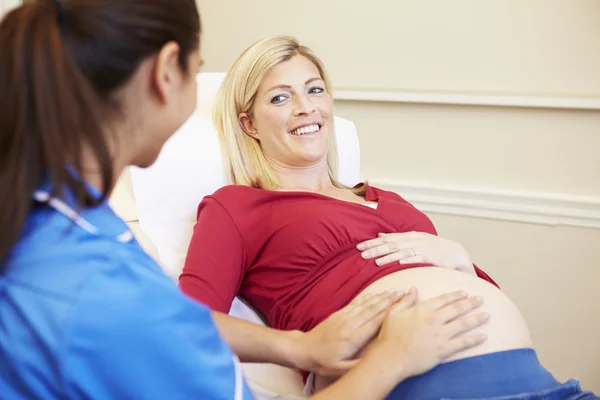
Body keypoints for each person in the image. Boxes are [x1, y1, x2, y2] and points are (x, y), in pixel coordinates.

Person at [0, 1, 496, 400]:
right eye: (198, 70)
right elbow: (175, 328)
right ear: (166, 73)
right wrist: (393, 360)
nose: (304, 107)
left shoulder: (71, 231)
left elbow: (176, 327)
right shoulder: (105, 282)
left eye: (314, 90)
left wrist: (297, 347)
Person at [180, 35, 598, 399]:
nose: (305, 108)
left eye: (314, 89)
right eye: (280, 97)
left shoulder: (392, 202)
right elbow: (185, 323)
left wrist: (459, 257)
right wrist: (299, 346)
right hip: (420, 386)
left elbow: (480, 297)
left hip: (542, 383)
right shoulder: (236, 207)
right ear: (249, 124)